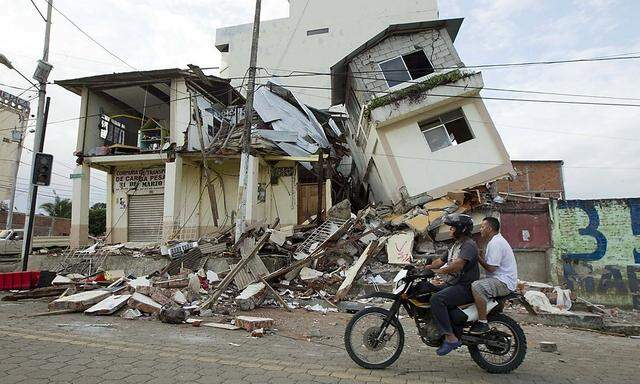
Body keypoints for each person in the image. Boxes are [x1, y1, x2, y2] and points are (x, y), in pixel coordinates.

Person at [420, 213, 479, 356]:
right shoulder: (455, 245)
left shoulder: (469, 245)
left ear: (462, 229)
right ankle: (437, 327)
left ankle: (450, 338)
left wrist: (439, 271)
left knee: (437, 299)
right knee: (428, 290)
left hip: (465, 287)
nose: (450, 230)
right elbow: (440, 261)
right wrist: (422, 268)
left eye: (453, 228)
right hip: (454, 284)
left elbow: (458, 265)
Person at [469, 216, 518, 334]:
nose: (480, 229)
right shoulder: (496, 241)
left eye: (482, 227)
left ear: (489, 228)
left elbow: (491, 268)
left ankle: (482, 322)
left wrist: (477, 257)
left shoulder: (496, 243)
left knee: (477, 286)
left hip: (503, 282)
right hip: (502, 279)